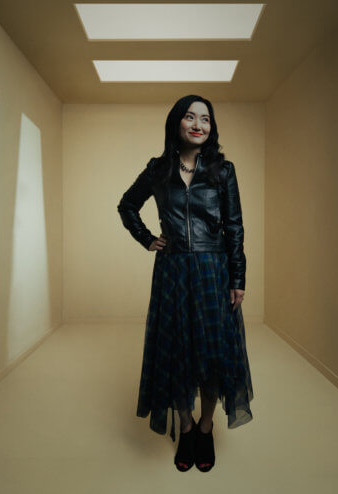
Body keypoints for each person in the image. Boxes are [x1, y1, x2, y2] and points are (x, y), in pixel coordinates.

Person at [117, 94, 254, 472]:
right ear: (176, 122)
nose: (198, 124)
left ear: (211, 128)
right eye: (190, 117)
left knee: (211, 355)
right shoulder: (158, 169)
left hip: (214, 271)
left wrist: (238, 277)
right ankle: (187, 425)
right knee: (176, 352)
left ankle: (206, 427)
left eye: (205, 119)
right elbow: (127, 205)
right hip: (173, 272)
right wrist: (148, 238)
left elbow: (235, 228)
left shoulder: (223, 170)